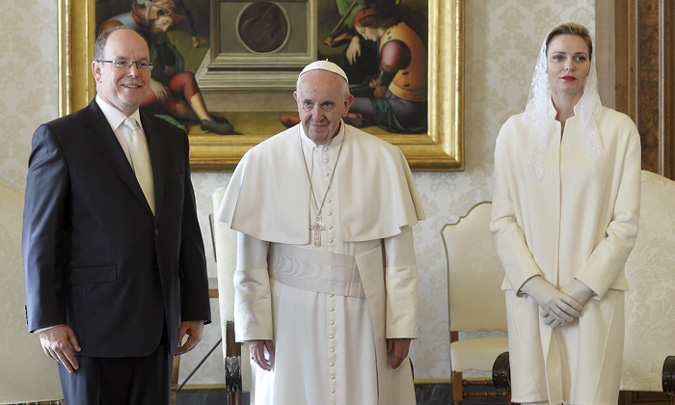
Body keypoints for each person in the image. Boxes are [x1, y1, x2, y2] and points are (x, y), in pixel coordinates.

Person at [22, 27, 211, 404]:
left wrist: (193, 306)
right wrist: (48, 320)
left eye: (142, 64)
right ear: (97, 70)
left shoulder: (172, 139)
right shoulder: (62, 138)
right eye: (121, 63)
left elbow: (184, 227)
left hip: (159, 326)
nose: (134, 73)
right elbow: (40, 238)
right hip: (89, 331)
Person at [217, 60, 424, 404]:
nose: (317, 115)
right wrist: (255, 329)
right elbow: (250, 261)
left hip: (362, 317)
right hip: (288, 316)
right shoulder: (262, 160)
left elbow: (401, 260)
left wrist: (400, 326)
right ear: (296, 100)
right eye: (308, 104)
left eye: (327, 104)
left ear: (346, 104)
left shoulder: (384, 159)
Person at [490, 22, 641, 404]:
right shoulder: (513, 133)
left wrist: (577, 291)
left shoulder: (620, 131)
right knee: (535, 395)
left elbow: (624, 225)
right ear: (544, 63)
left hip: (594, 298)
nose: (568, 65)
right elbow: (503, 221)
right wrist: (539, 289)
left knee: (591, 396)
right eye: (558, 57)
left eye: (579, 57)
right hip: (530, 299)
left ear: (590, 66)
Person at [99, 0, 234, 135]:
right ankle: (205, 119)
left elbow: (169, 70)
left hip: (142, 85)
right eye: (164, 23)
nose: (164, 29)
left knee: (186, 77)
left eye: (168, 27)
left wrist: (161, 42)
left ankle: (206, 119)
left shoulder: (154, 31)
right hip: (124, 93)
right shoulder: (119, 26)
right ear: (155, 15)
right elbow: (116, 68)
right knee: (162, 95)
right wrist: (151, 82)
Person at [347, 7, 427, 134]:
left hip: (409, 109)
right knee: (345, 93)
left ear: (372, 23)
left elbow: (379, 88)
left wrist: (345, 92)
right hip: (395, 96)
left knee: (343, 102)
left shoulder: (393, 44)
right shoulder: (396, 30)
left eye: (364, 31)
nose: (365, 37)